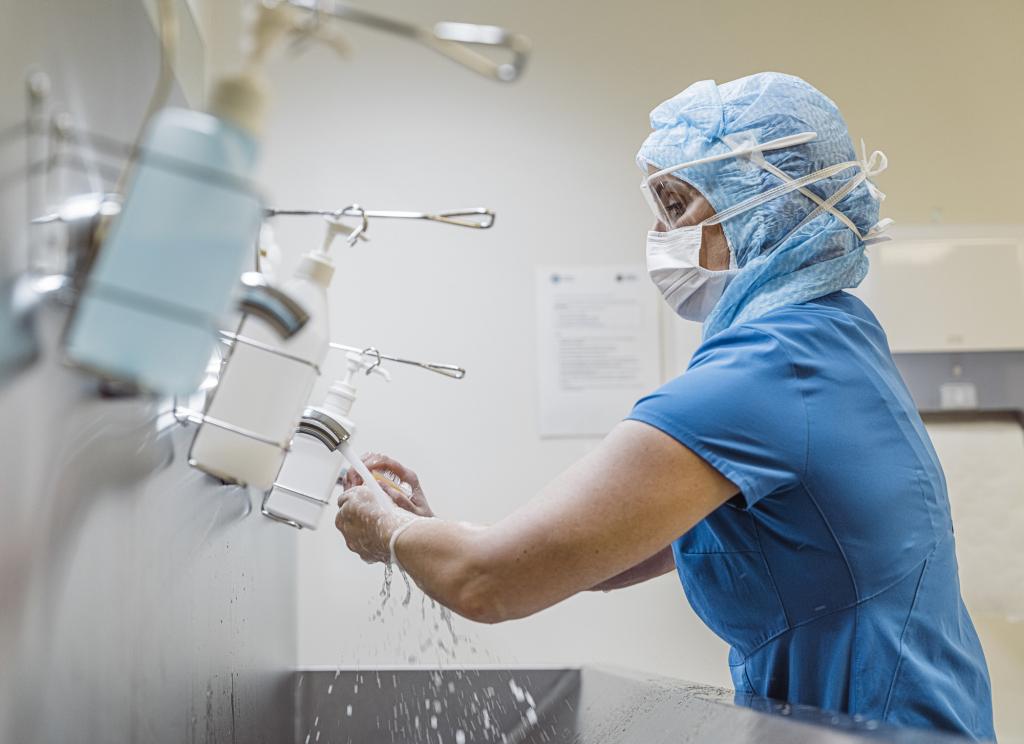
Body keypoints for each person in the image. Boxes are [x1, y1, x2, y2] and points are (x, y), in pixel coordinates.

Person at [334, 72, 995, 740]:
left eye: (676, 204)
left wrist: (388, 531)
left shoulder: (763, 375)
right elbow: (592, 558)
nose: (656, 232)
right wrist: (428, 529)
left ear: (757, 205)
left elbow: (489, 583)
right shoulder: (831, 335)